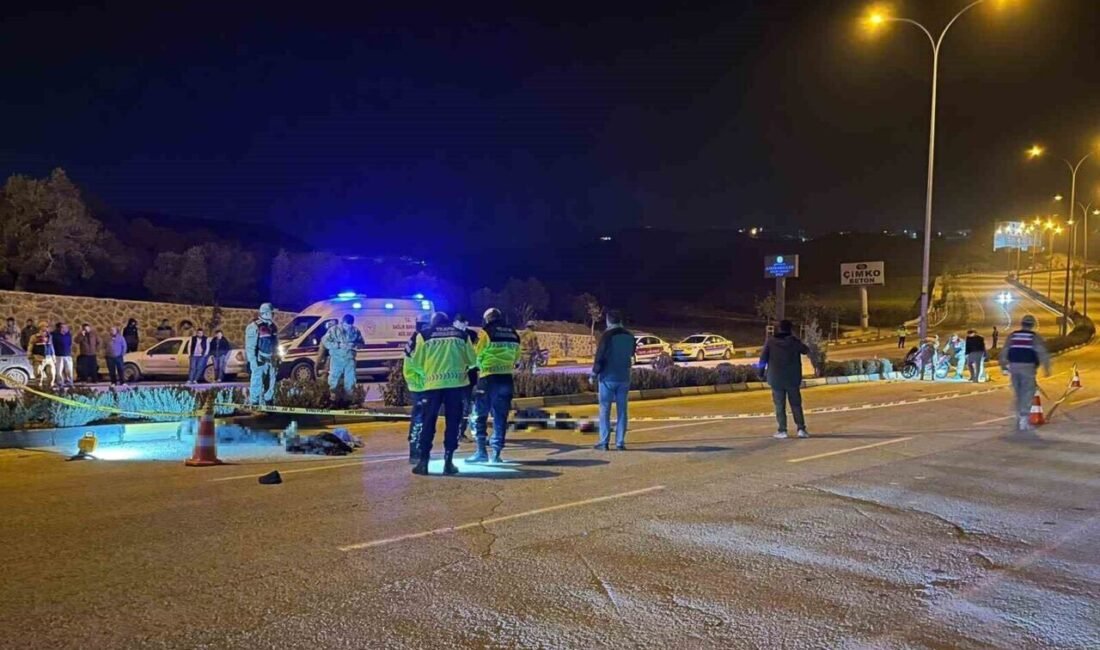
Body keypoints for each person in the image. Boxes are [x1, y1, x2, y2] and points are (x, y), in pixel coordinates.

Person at [405, 312, 477, 476]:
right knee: (453, 423)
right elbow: (473, 361)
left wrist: (429, 372)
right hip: (456, 386)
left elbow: (416, 363)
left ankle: (423, 463)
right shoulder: (461, 335)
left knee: (428, 422)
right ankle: (448, 462)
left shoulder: (424, 335)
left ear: (433, 323)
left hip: (432, 386)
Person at [467, 308, 521, 464]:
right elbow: (517, 358)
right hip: (506, 379)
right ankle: (496, 454)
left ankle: (481, 452)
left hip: (488, 378)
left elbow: (476, 355)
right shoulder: (513, 333)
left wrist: (475, 366)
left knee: (480, 415)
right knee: (500, 417)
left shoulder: (486, 332)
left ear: (487, 319)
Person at [591, 310, 635, 451]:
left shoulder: (607, 336)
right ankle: (620, 442)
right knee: (622, 410)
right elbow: (632, 354)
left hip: (607, 378)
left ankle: (604, 442)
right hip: (624, 378)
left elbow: (600, 357)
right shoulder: (630, 336)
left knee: (605, 410)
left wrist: (593, 374)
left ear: (608, 321)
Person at [760, 319, 811, 439]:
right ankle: (801, 429)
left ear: (779, 329)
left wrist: (760, 373)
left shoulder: (770, 342)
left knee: (779, 405)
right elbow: (806, 350)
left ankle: (782, 430)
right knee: (796, 404)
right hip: (792, 378)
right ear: (790, 329)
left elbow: (763, 359)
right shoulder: (794, 342)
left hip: (776, 378)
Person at [999, 315, 1051, 432]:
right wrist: (1046, 369)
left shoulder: (1013, 335)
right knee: (1027, 393)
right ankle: (1023, 419)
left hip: (1014, 367)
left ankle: (1018, 416)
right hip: (1028, 368)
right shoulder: (1034, 337)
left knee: (1018, 393)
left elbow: (1004, 351)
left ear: (1022, 323)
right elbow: (1042, 352)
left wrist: (1003, 366)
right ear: (1032, 325)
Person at [403, 315, 431, 463]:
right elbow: (419, 365)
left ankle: (418, 450)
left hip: (417, 382)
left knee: (421, 417)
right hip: (419, 383)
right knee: (419, 418)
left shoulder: (416, 338)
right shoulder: (419, 340)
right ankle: (414, 452)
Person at [245, 303, 279, 406]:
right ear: (267, 313)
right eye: (272, 313)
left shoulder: (273, 327)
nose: (274, 315)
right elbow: (250, 347)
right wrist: (253, 361)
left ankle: (268, 402)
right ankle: (254, 402)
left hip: (271, 359)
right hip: (260, 359)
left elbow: (276, 343)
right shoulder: (254, 326)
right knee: (256, 381)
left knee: (271, 382)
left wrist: (277, 357)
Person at [321, 314, 362, 398]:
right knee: (333, 379)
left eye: (350, 324)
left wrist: (354, 345)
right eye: (347, 324)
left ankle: (349, 399)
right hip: (337, 358)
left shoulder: (355, 331)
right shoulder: (334, 330)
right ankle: (332, 398)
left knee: (350, 380)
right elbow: (325, 342)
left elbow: (361, 343)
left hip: (349, 359)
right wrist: (338, 345)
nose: (348, 326)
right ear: (342, 322)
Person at [452, 314, 479, 442]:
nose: (463, 325)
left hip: (469, 377)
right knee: (457, 407)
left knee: (467, 407)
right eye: (461, 322)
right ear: (455, 322)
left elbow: (476, 353)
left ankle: (460, 433)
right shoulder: (450, 335)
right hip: (454, 378)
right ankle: (455, 433)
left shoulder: (472, 335)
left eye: (465, 323)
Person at [30, 323, 56, 388]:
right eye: (43, 328)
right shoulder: (34, 337)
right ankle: (39, 388)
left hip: (49, 358)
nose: (45, 329)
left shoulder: (49, 337)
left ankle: (50, 388)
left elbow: (51, 346)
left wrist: (53, 356)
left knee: (51, 374)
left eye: (47, 327)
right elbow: (30, 347)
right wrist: (30, 357)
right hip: (38, 358)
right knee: (38, 375)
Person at [52, 323, 74, 388]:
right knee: (59, 370)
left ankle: (69, 382)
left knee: (69, 369)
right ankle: (60, 382)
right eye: (64, 327)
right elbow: (53, 344)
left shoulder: (68, 335)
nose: (66, 329)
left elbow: (70, 343)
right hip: (59, 355)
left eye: (66, 327)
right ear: (60, 328)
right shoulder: (55, 336)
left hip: (67, 355)